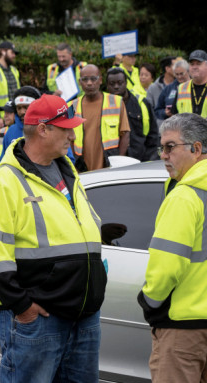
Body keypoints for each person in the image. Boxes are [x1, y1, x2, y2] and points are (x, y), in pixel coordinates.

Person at [0, 94, 107, 382]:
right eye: (66, 129)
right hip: (38, 321)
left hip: (83, 315)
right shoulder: (5, 181)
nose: (73, 136)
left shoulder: (67, 170)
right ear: (43, 129)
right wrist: (22, 307)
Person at [138, 113, 207, 382]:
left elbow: (167, 266)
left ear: (197, 149)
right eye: (161, 148)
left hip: (182, 328)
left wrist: (149, 303)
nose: (164, 155)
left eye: (170, 147)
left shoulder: (185, 196)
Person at [69, 64, 130, 171]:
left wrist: (118, 163)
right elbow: (68, 139)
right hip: (81, 167)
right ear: (80, 82)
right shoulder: (71, 106)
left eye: (93, 79)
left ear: (100, 80)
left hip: (110, 166)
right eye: (85, 79)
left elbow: (125, 134)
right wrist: (74, 165)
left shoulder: (116, 102)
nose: (89, 83)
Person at [107, 67, 159, 161]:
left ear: (126, 83)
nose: (116, 86)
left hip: (141, 160)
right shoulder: (103, 107)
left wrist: (149, 160)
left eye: (120, 82)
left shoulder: (142, 103)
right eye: (112, 84)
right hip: (113, 161)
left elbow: (153, 135)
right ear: (107, 86)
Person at [172, 50, 207, 118]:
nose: (194, 67)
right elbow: (174, 117)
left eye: (198, 64)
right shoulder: (181, 88)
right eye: (192, 64)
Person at [155, 59, 190, 125]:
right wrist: (165, 112)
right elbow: (157, 111)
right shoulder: (168, 89)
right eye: (177, 74)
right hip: (174, 127)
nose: (179, 77)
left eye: (181, 74)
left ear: (188, 71)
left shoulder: (195, 86)